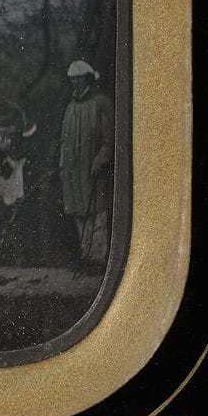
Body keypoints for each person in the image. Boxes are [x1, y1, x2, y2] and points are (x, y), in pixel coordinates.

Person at [59, 59, 114, 273]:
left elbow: (110, 140)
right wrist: (63, 166)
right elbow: (64, 142)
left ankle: (99, 258)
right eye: (72, 80)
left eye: (79, 79)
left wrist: (100, 160)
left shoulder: (101, 103)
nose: (75, 83)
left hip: (93, 169)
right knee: (79, 213)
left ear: (88, 78)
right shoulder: (70, 108)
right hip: (73, 172)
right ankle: (86, 255)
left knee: (97, 213)